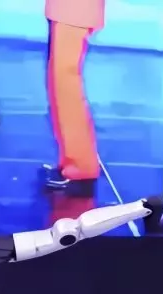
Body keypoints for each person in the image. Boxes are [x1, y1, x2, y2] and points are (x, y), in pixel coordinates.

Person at [41, 0, 105, 194]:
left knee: (66, 81)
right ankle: (70, 159)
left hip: (75, 9)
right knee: (59, 81)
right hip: (65, 9)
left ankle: (81, 165)